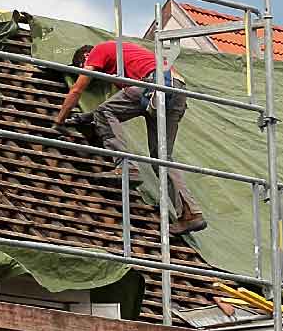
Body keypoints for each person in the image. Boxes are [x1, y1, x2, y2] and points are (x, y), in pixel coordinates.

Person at [53, 41, 207, 235]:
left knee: (104, 112)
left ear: (85, 58)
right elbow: (127, 103)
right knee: (161, 156)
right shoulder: (124, 59)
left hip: (153, 84)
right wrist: (87, 117)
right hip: (176, 90)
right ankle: (191, 214)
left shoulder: (98, 51)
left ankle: (125, 167)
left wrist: (59, 121)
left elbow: (77, 90)